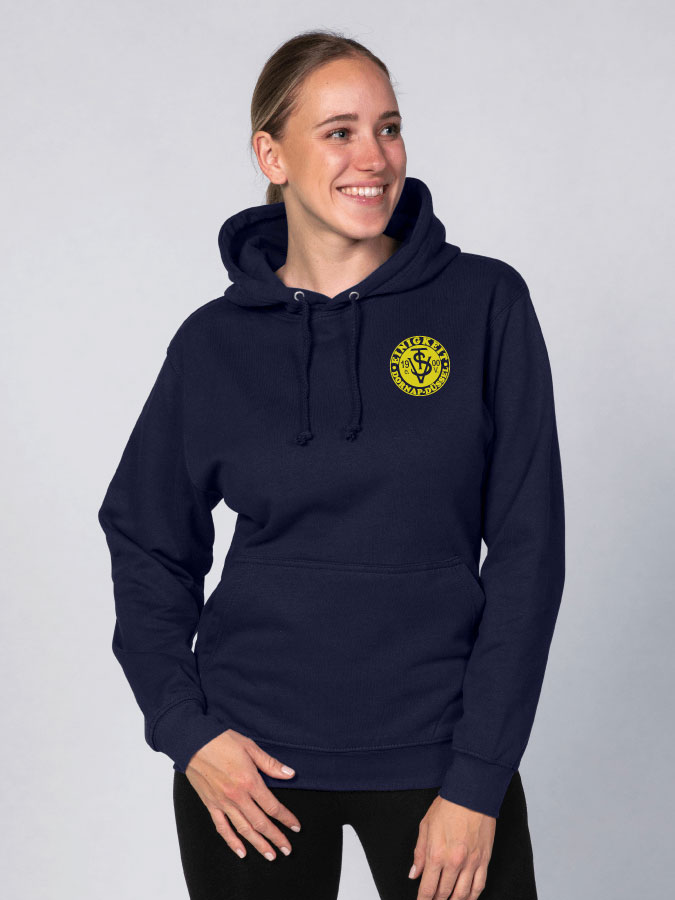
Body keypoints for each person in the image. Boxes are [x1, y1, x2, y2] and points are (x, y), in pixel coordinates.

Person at [97, 29, 565, 900]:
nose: (373, 157)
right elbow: (146, 540)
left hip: (440, 755)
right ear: (271, 155)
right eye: (339, 131)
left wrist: (479, 777)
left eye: (387, 128)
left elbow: (528, 552)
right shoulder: (213, 344)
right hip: (250, 767)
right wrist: (187, 730)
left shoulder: (483, 303)